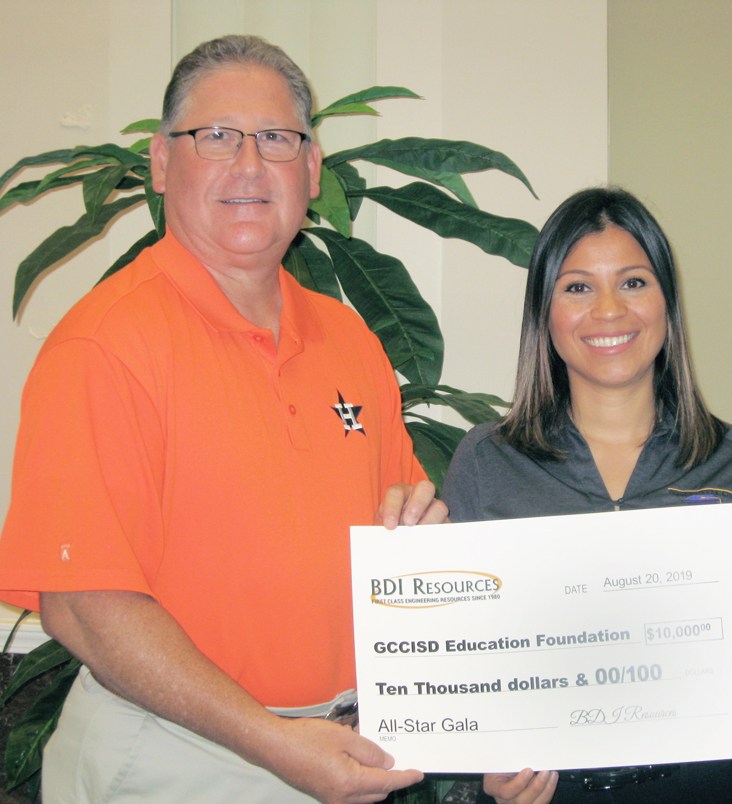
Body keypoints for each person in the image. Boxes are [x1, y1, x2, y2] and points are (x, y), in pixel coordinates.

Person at [0, 35, 446, 803]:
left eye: (276, 139)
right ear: (162, 163)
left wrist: (419, 525)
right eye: (215, 136)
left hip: (340, 745)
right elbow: (86, 609)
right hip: (176, 757)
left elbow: (403, 519)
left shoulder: (349, 336)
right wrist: (272, 743)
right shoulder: (105, 344)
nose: (248, 164)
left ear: (311, 169)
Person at [442, 187, 732, 804]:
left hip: (697, 789)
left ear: (667, 303)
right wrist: (491, 764)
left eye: (635, 282)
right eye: (578, 287)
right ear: (545, 312)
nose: (610, 310)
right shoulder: (486, 461)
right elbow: (467, 665)